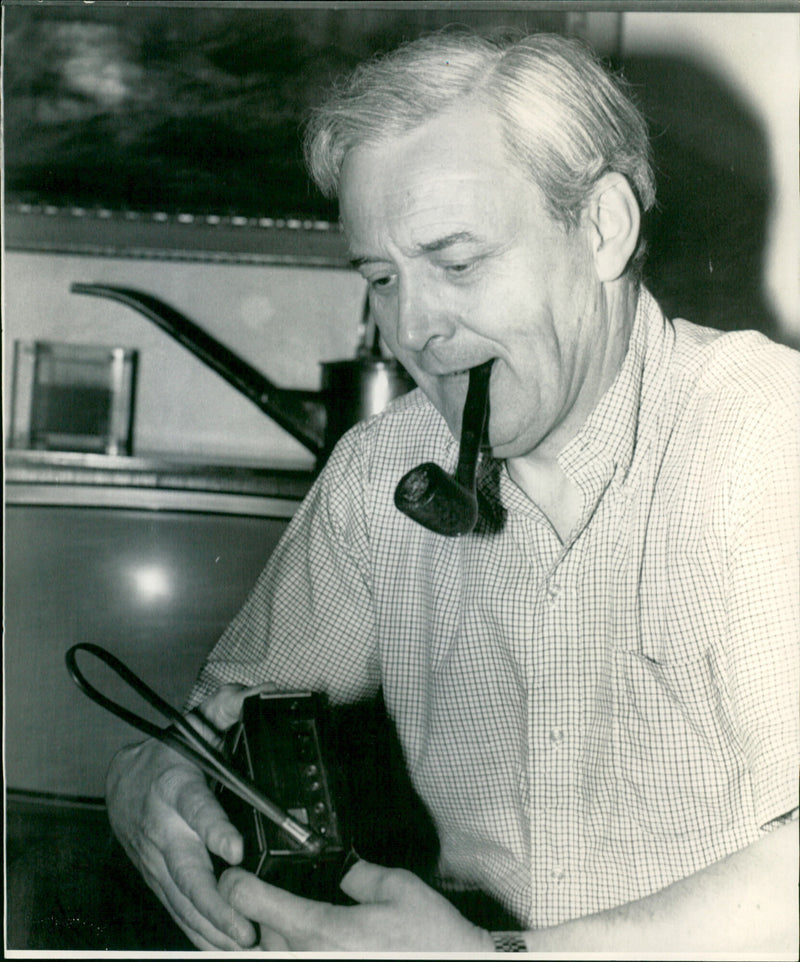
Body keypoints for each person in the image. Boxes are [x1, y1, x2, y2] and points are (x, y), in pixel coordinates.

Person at [105, 30, 799, 954]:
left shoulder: (762, 435)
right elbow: (222, 724)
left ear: (603, 228)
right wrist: (144, 782)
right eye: (384, 279)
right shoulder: (381, 473)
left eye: (458, 263)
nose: (417, 329)